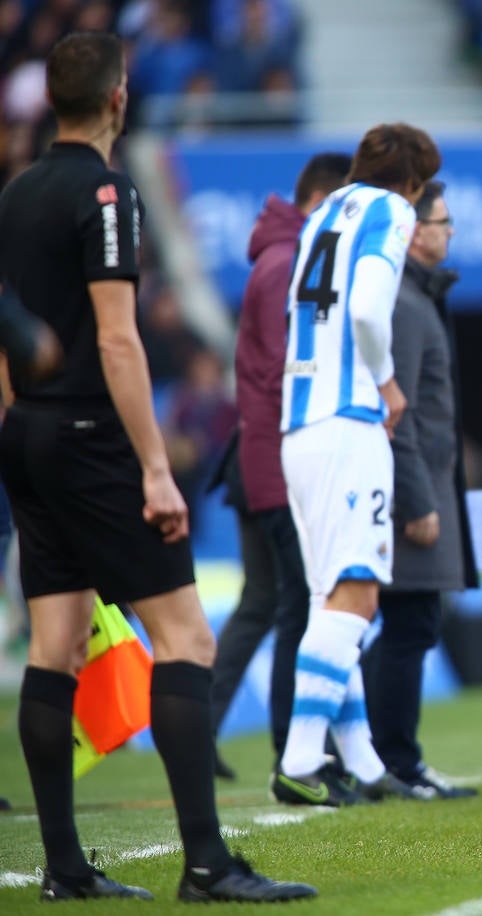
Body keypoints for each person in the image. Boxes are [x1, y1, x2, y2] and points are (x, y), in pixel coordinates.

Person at [0, 31, 315, 901]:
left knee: (55, 647)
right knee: (186, 637)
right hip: (93, 435)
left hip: (27, 431)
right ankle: (208, 864)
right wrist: (154, 466)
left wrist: (16, 425)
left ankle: (64, 867)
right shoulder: (107, 191)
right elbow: (115, 336)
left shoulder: (17, 193)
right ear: (119, 98)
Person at [269, 123, 441, 807]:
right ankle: (300, 760)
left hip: (300, 422)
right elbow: (369, 310)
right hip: (348, 421)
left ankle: (365, 764)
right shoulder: (389, 209)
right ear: (415, 183)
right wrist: (389, 382)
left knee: (329, 597)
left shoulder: (320, 217)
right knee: (359, 593)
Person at [209, 151, 352, 778]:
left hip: (257, 460)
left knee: (264, 604)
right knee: (299, 606)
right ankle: (295, 750)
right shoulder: (287, 266)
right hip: (273, 464)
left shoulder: (279, 259)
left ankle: (204, 733)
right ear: (323, 201)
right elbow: (279, 378)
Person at [361, 179, 480, 799]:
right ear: (412, 231)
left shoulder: (416, 298)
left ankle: (385, 758)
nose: (449, 230)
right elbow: (396, 410)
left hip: (427, 482)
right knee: (410, 624)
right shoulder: (404, 306)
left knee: (410, 624)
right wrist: (417, 500)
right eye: (441, 220)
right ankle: (393, 762)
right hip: (416, 491)